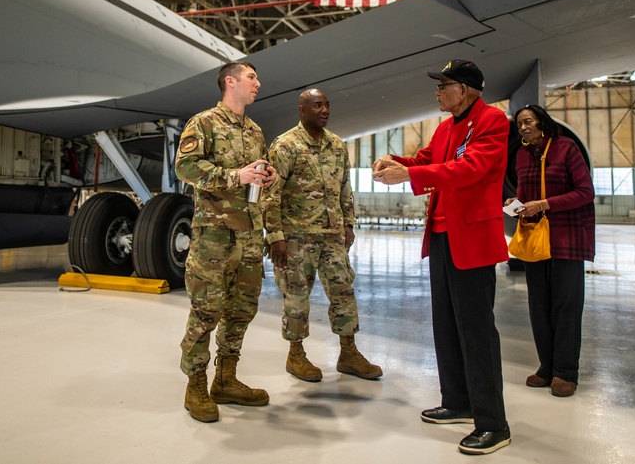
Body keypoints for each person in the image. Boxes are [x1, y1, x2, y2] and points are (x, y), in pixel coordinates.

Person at [372, 59, 511, 456]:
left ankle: (493, 423)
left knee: (477, 332)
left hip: (473, 238)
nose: (437, 92)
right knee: (446, 324)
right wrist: (398, 163)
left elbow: (471, 169)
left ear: (465, 89)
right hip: (444, 235)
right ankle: (458, 401)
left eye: (443, 85)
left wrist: (412, 176)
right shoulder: (447, 126)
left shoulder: (492, 121)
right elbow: (428, 159)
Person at [174, 60, 277, 423]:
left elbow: (252, 178)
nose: (258, 83)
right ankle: (196, 385)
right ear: (230, 82)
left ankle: (226, 379)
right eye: (252, 77)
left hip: (249, 235)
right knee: (206, 311)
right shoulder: (203, 123)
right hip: (215, 237)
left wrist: (266, 176)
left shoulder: (254, 130)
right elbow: (184, 168)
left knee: (241, 310)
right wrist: (237, 174)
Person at [266, 89, 382, 383]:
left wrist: (349, 224)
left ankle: (348, 353)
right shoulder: (285, 145)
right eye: (318, 105)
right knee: (296, 297)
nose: (325, 110)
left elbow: (345, 187)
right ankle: (296, 354)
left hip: (332, 236)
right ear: (302, 110)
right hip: (296, 237)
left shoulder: (337, 145)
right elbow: (271, 194)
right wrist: (275, 236)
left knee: (344, 291)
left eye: (327, 105)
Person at [506, 104, 595, 398]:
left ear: (543, 122)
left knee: (566, 307)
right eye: (519, 124)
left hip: (566, 239)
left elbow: (585, 192)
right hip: (535, 240)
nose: (523, 127)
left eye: (528, 121)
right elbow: (523, 193)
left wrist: (544, 204)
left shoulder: (566, 148)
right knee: (539, 308)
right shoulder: (520, 155)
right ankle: (546, 367)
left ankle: (566, 372)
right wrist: (516, 205)